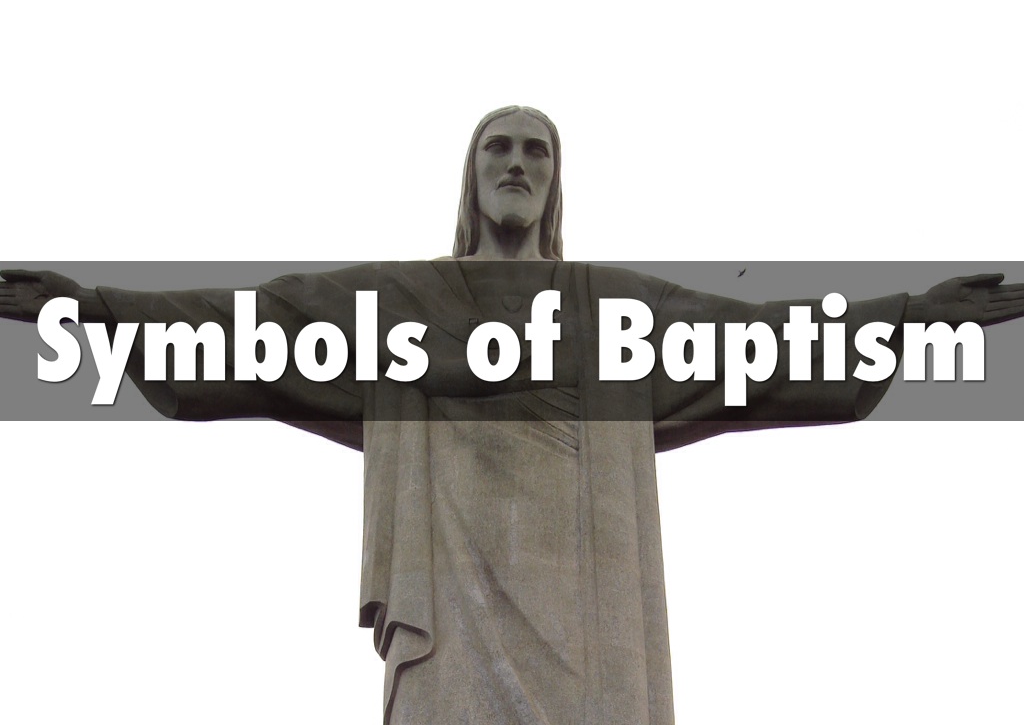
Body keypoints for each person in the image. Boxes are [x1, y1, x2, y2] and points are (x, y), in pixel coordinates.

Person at [1, 106, 1022, 725]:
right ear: (472, 173)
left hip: (589, 613)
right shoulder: (402, 306)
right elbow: (254, 327)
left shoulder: (612, 312)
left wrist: (917, 317)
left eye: (536, 150)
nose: (517, 163)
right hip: (447, 608)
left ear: (555, 179)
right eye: (498, 147)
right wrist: (89, 308)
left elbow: (765, 343)